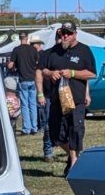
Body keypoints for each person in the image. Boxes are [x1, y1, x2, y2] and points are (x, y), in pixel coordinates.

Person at [39, 21, 96, 169]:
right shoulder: (53, 51)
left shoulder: (84, 50)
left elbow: (91, 73)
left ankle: (74, 164)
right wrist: (51, 73)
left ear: (75, 34)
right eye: (63, 33)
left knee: (75, 130)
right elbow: (42, 70)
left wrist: (73, 73)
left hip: (76, 99)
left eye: (69, 33)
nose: (66, 36)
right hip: (57, 98)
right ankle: (73, 157)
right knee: (55, 133)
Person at [7, 31, 41, 136]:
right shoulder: (33, 49)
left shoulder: (16, 50)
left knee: (25, 105)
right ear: (27, 38)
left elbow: (10, 66)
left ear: (19, 38)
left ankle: (26, 128)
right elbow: (38, 63)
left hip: (23, 80)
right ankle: (34, 127)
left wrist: (10, 63)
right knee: (33, 104)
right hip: (33, 79)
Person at [38, 29, 63, 160]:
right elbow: (39, 74)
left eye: (63, 37)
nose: (61, 40)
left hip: (66, 94)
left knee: (68, 124)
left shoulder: (69, 54)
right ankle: (48, 150)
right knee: (48, 124)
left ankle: (71, 149)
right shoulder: (46, 54)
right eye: (59, 38)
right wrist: (40, 93)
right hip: (49, 94)